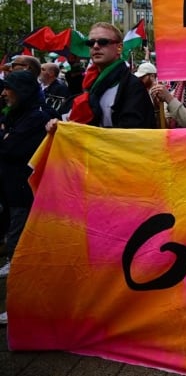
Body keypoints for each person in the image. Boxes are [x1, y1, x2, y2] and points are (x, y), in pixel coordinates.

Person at [48, 22, 156, 131]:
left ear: (119, 48)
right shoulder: (89, 84)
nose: (95, 46)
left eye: (103, 42)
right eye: (90, 43)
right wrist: (58, 124)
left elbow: (132, 132)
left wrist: (85, 132)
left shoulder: (132, 86)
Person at [0, 71, 50, 288]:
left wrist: (6, 137)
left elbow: (9, 148)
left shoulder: (37, 116)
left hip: (24, 193)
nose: (3, 93)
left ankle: (22, 297)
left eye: (8, 88)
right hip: (11, 190)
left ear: (22, 91)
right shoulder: (16, 114)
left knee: (19, 244)